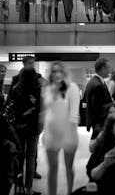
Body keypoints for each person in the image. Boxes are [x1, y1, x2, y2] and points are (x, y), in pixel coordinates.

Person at [42, 62, 80, 195]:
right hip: (51, 133)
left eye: (59, 71)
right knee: (52, 169)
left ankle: (70, 192)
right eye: (54, 71)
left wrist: (69, 132)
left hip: (68, 133)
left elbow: (74, 114)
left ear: (64, 73)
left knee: (69, 167)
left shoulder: (72, 88)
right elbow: (47, 112)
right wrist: (45, 133)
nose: (57, 74)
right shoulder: (48, 89)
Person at [11, 68, 42, 195]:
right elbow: (40, 108)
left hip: (19, 127)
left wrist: (22, 115)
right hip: (33, 127)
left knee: (19, 157)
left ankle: (19, 188)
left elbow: (12, 108)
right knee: (31, 158)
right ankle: (29, 190)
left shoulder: (15, 90)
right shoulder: (38, 90)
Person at [84, 58, 113, 146]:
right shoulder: (97, 84)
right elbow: (98, 107)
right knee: (97, 145)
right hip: (99, 121)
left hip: (96, 121)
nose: (110, 70)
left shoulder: (93, 82)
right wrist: (114, 104)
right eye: (108, 68)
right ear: (103, 68)